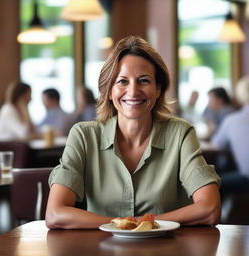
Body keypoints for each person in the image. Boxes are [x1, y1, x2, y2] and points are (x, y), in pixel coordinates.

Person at [46, 36, 221, 229]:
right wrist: (130, 225)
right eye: (122, 81)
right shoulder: (83, 136)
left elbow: (210, 208)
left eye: (144, 81)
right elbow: (55, 214)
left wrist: (140, 224)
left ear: (158, 89)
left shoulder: (181, 134)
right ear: (109, 91)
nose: (133, 91)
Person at [212, 76, 249, 197]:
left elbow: (215, 144)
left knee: (212, 184)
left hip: (246, 178)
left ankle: (224, 216)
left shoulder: (233, 120)